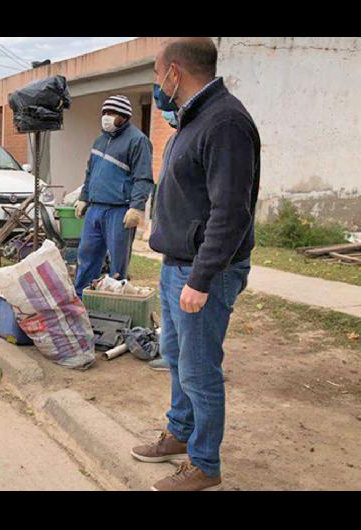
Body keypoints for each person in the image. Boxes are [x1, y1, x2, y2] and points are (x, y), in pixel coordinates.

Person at [131, 37, 260, 491]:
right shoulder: (193, 119)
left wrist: (202, 278)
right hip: (178, 265)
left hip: (203, 272)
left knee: (200, 369)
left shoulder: (224, 122)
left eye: (155, 73)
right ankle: (180, 432)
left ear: (175, 72)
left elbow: (231, 211)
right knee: (178, 359)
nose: (156, 82)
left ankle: (205, 465)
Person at [73, 95, 154, 297]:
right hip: (95, 209)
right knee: (86, 257)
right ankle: (82, 299)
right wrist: (84, 197)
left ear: (125, 116)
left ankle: (114, 302)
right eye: (105, 113)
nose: (107, 117)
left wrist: (136, 207)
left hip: (119, 211)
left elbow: (143, 177)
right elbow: (90, 172)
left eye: (112, 113)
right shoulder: (100, 140)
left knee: (118, 264)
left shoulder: (138, 140)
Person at [147, 109, 178, 373]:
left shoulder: (219, 127)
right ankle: (170, 359)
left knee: (196, 357)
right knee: (171, 324)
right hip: (171, 253)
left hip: (192, 259)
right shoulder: (174, 140)